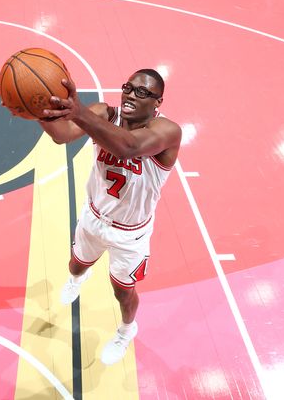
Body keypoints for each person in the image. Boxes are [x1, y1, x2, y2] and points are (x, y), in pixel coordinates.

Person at [37, 69, 182, 365]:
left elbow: (128, 147)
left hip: (131, 234)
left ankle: (126, 331)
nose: (131, 94)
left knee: (123, 292)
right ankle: (78, 279)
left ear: (158, 102)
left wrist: (78, 112)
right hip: (93, 217)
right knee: (76, 265)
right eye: (129, 87)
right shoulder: (103, 113)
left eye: (142, 92)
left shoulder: (168, 131)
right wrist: (36, 110)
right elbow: (62, 135)